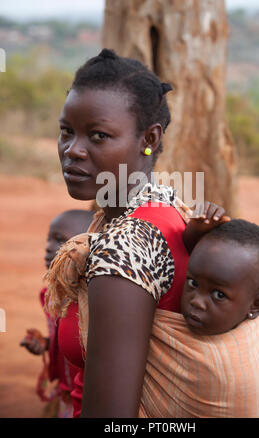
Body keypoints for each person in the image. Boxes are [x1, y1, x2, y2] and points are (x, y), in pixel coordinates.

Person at [44, 48, 230, 418]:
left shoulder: (125, 247)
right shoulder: (169, 207)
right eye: (67, 131)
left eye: (97, 135)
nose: (72, 150)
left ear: (149, 137)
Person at [140, 218, 259, 417]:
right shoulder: (245, 305)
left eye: (218, 295)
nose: (197, 301)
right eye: (192, 283)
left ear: (257, 306)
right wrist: (195, 232)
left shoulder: (225, 376)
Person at [20, 209, 94, 417]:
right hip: (64, 393)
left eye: (59, 240)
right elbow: (63, 341)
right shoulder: (50, 296)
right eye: (49, 239)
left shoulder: (92, 301)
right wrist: (45, 344)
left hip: (89, 397)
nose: (48, 247)